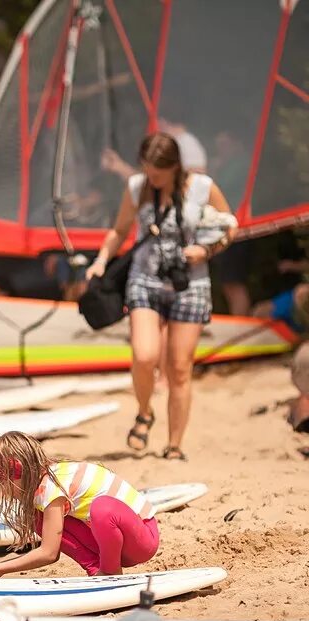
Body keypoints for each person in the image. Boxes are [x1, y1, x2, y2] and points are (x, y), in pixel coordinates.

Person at [85, 132, 236, 460]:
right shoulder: (138, 187)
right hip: (145, 280)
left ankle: (174, 445)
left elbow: (230, 227)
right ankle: (144, 411)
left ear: (174, 166)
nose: (151, 177)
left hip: (190, 285)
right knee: (144, 354)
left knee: (180, 367)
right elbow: (119, 230)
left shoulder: (202, 187)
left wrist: (206, 250)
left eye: (158, 172)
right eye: (147, 170)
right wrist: (100, 261)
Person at [0, 432, 159, 579]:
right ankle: (96, 569)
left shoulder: (51, 488)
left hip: (141, 540)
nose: (3, 490)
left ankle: (109, 572)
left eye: (4, 483)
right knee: (39, 520)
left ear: (19, 474)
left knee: (102, 508)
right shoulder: (46, 483)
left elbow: (48, 553)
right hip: (116, 542)